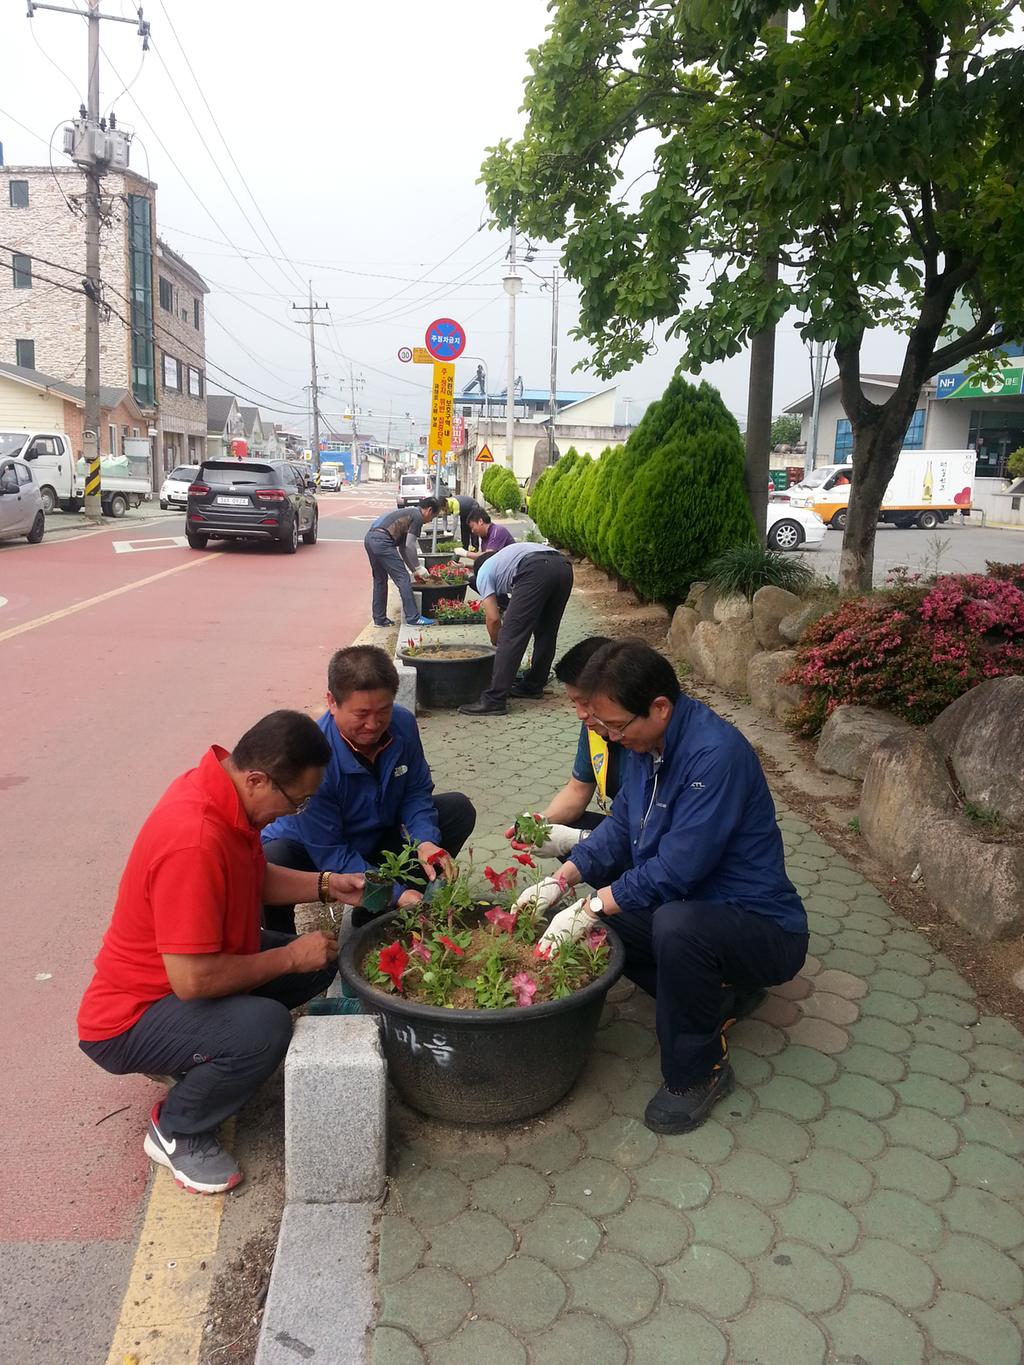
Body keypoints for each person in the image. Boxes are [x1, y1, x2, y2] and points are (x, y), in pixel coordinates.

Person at [517, 640, 807, 1135]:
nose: (609, 735)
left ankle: (698, 1072)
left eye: (616, 726)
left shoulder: (715, 757)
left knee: (670, 926)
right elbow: (621, 826)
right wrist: (563, 879)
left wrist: (590, 906)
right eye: (603, 726)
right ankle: (718, 997)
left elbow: (676, 869)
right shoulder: (645, 746)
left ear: (659, 707)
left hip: (762, 926)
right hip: (696, 910)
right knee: (603, 924)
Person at [77, 711, 366, 1196]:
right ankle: (176, 1129)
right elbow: (194, 981)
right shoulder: (193, 839)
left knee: (319, 965)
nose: (292, 813)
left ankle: (197, 1053)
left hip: (183, 982)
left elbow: (253, 876)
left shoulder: (222, 795)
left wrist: (325, 886)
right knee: (265, 1028)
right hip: (131, 1016)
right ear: (257, 778)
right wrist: (291, 957)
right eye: (295, 803)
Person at [262, 645, 476, 931]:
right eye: (361, 713)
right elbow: (331, 852)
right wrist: (397, 894)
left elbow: (415, 792)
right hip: (314, 850)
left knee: (457, 810)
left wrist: (425, 840)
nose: (373, 724)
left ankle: (375, 909)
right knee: (274, 858)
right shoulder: (313, 758)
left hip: (373, 834)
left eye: (383, 710)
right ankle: (284, 946)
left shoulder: (403, 724)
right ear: (332, 702)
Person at [505, 636, 625, 857]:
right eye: (574, 703)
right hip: (626, 824)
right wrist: (542, 821)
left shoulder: (640, 735)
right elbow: (578, 790)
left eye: (586, 702)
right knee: (561, 829)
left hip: (650, 838)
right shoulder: (594, 726)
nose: (581, 714)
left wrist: (576, 840)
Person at [458, 542, 574, 716]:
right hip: (564, 567)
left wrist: (497, 643)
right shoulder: (504, 561)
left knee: (511, 635)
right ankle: (533, 685)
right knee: (546, 632)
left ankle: (495, 699)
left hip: (536, 568)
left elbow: (493, 619)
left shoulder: (483, 572)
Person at [364, 497, 442, 628]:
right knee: (403, 578)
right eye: (433, 517)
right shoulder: (417, 516)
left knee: (380, 579)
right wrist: (418, 566)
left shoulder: (408, 513)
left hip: (370, 539)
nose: (430, 521)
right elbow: (411, 545)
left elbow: (403, 548)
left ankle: (379, 619)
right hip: (383, 541)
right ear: (429, 510)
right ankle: (413, 618)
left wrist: (415, 571)